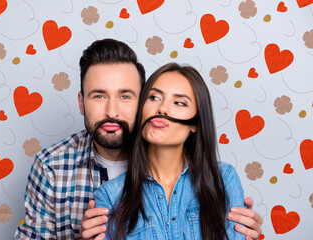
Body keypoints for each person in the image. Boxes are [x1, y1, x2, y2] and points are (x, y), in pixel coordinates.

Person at [14, 39, 262, 240]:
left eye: (125, 96)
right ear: (81, 102)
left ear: (142, 101)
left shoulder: (211, 174)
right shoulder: (51, 167)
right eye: (98, 96)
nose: (112, 111)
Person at [94, 63, 248, 239]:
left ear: (194, 124)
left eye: (179, 103)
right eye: (153, 98)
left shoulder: (224, 179)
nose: (162, 109)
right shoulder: (109, 196)